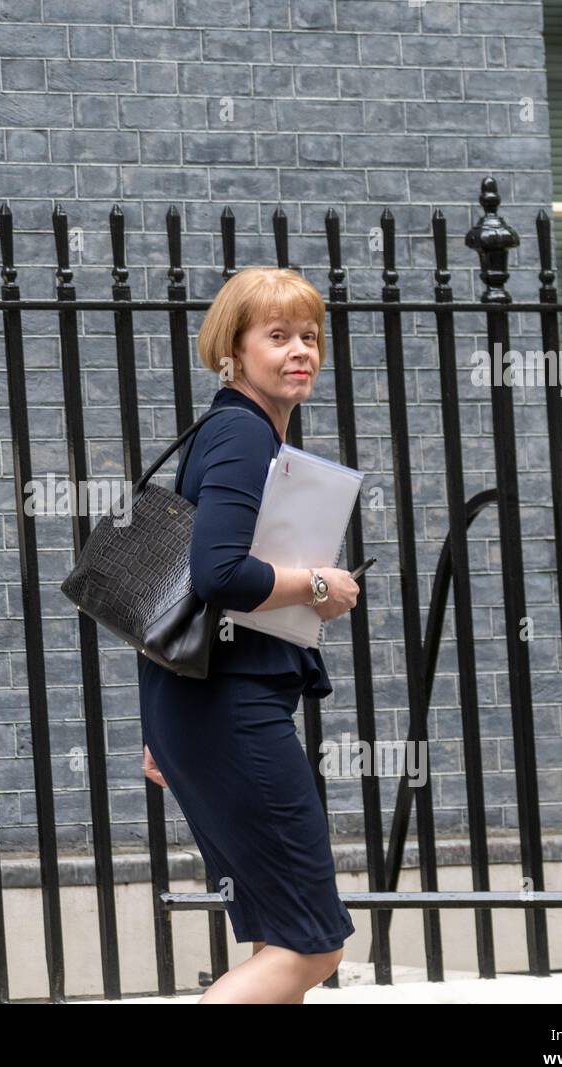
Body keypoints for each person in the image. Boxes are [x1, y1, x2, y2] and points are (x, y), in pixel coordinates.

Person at [138, 266, 360, 1004]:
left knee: (278, 930)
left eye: (310, 336)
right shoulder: (241, 432)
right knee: (313, 939)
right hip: (229, 708)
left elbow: (181, 588)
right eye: (278, 336)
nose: (301, 350)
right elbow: (219, 573)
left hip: (203, 704)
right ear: (234, 350)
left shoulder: (237, 429)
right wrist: (321, 585)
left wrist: (164, 727)